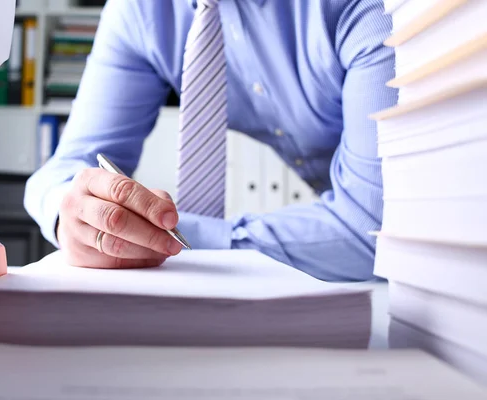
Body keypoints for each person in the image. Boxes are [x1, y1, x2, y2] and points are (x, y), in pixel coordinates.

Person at [24, 0, 398, 281]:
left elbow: (373, 226)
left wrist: (174, 242)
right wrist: (75, 214)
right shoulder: (139, 11)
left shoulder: (372, 6)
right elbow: (64, 169)